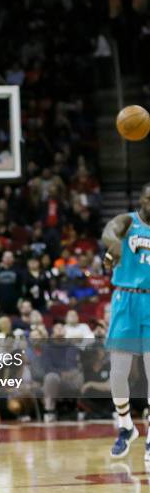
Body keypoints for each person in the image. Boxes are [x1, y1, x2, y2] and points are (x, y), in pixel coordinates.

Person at [103, 184, 150, 461]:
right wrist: (113, 245)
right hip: (125, 299)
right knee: (118, 372)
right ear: (142, 199)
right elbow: (108, 232)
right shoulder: (127, 221)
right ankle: (126, 427)